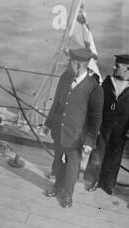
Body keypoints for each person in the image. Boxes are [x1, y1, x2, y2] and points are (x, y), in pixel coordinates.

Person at [43, 48, 104, 208]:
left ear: (78, 65)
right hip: (59, 130)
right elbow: (56, 102)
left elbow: (96, 119)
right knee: (58, 161)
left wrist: (90, 141)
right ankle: (57, 187)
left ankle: (67, 194)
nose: (67, 63)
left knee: (72, 166)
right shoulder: (65, 77)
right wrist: (48, 124)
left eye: (70, 61)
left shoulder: (94, 88)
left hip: (77, 137)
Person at [84, 54, 129, 195]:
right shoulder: (107, 83)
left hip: (120, 130)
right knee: (97, 155)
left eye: (118, 66)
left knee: (114, 158)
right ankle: (91, 181)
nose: (114, 67)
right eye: (115, 64)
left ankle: (108, 184)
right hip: (103, 127)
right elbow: (97, 104)